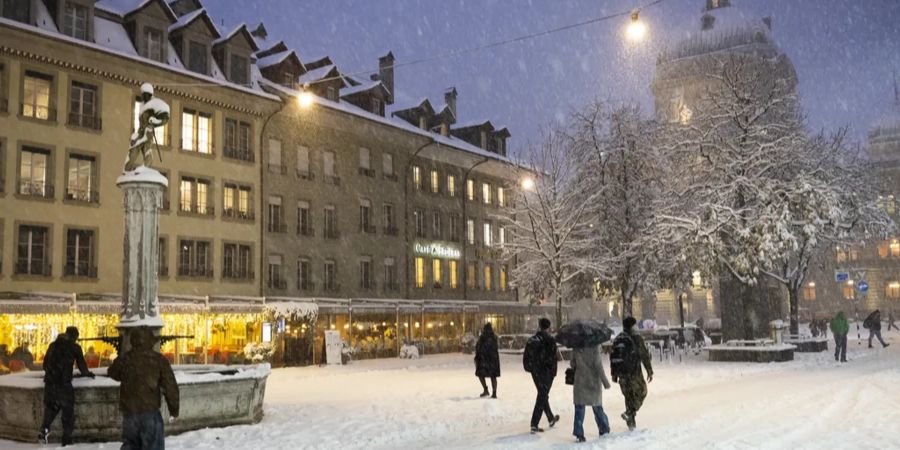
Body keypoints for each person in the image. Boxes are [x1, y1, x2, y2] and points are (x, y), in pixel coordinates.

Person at [108, 328, 180, 450]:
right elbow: (170, 386)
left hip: (130, 413)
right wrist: (174, 410)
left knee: (131, 445)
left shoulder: (126, 359)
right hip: (150, 412)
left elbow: (113, 373)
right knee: (153, 446)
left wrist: (124, 356)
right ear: (150, 342)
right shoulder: (159, 360)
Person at [39, 326, 94, 446]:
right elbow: (82, 366)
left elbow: (44, 365)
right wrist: (87, 374)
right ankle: (66, 439)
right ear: (74, 336)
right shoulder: (74, 347)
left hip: (50, 384)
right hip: (64, 385)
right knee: (68, 413)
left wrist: (53, 372)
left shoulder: (53, 345)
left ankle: (44, 430)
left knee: (51, 410)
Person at [611, 317, 653, 431]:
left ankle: (631, 423)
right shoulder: (637, 338)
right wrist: (649, 370)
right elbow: (644, 355)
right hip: (634, 372)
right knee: (642, 391)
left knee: (628, 396)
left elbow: (613, 356)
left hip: (622, 374)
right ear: (632, 326)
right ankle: (630, 413)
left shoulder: (619, 338)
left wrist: (614, 374)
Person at [523, 318, 560, 433]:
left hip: (535, 371)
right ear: (548, 327)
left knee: (542, 394)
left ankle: (550, 418)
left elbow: (526, 357)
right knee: (542, 395)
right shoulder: (550, 340)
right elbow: (554, 359)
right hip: (546, 372)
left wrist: (531, 368)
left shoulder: (532, 340)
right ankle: (534, 423)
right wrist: (553, 372)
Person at [570, 343, 612, 442]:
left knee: (579, 408)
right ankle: (604, 428)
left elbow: (572, 364)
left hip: (580, 380)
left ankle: (579, 433)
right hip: (593, 382)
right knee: (597, 407)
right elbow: (598, 366)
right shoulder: (595, 346)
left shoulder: (576, 346)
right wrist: (605, 382)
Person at [474, 323, 500, 398]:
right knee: (493, 376)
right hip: (493, 360)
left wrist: (478, 356)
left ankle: (485, 389)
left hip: (484, 360)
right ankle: (494, 392)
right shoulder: (494, 337)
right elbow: (495, 348)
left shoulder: (483, 337)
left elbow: (478, 347)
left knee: (480, 374)